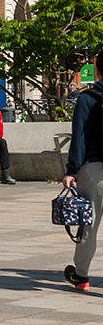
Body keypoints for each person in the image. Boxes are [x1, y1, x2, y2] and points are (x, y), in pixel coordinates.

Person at [63, 54, 103, 292]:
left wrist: (71, 170)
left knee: (90, 224)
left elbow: (79, 137)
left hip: (94, 169)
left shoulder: (87, 98)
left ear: (97, 68)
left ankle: (82, 276)